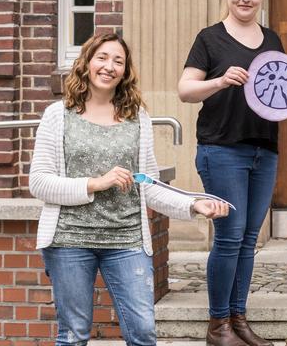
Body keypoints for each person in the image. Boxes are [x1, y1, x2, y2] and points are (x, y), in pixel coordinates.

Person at [29, 33, 229, 346]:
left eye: (118, 61)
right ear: (87, 62)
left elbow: (148, 185)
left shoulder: (137, 118)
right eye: (102, 58)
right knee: (73, 334)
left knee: (143, 332)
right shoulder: (58, 116)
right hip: (68, 241)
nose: (109, 66)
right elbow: (39, 182)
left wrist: (193, 206)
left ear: (125, 71)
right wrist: (96, 183)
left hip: (126, 239)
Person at [178, 0, 287, 346]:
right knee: (228, 236)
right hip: (221, 148)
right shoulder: (209, 38)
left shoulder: (272, 39)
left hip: (264, 149)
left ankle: (238, 319)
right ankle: (217, 325)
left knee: (248, 239)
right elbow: (184, 90)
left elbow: (280, 93)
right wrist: (221, 80)